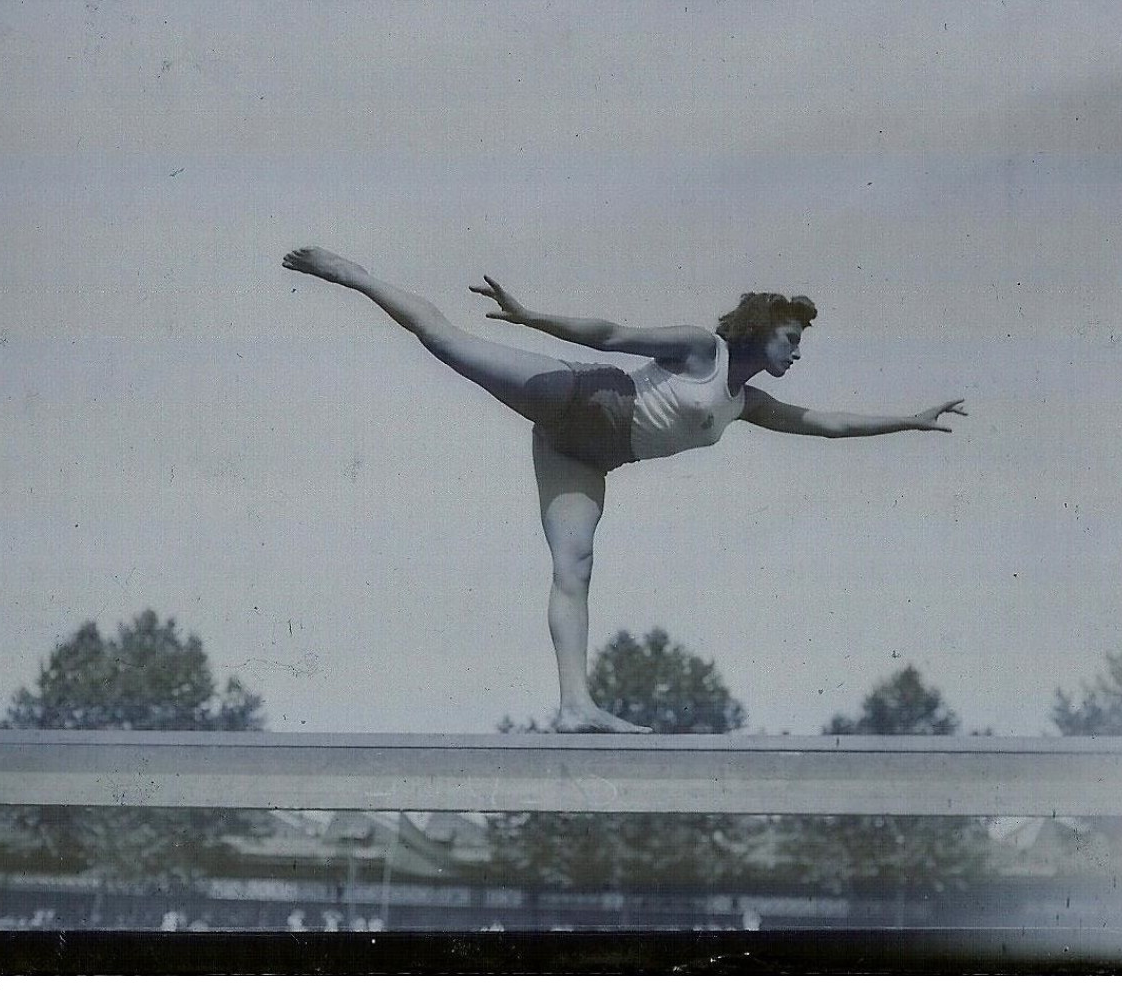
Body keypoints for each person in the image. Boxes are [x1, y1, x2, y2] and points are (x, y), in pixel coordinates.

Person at [282, 247, 966, 733]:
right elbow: (613, 334)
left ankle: (574, 706)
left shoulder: (745, 402)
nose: (797, 352)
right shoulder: (704, 349)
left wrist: (909, 418)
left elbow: (828, 424)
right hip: (580, 396)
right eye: (791, 338)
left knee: (573, 567)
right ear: (761, 331)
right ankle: (354, 275)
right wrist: (530, 318)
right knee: (444, 340)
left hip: (586, 455)